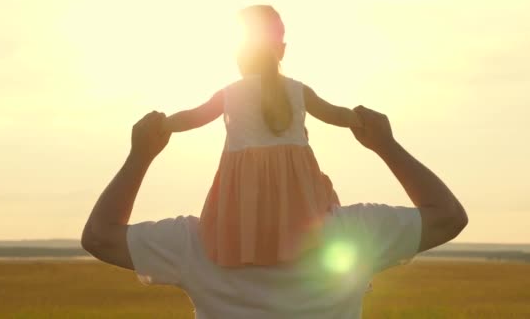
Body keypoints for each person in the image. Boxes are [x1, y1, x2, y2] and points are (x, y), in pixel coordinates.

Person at [81, 106, 468, 319]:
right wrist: (387, 146)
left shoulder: (194, 244)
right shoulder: (356, 234)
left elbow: (99, 236)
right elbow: (448, 216)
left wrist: (140, 156)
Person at [162, 5, 361, 266]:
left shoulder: (229, 93)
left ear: (239, 53)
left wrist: (162, 124)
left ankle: (253, 257)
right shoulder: (298, 90)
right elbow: (336, 114)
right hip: (299, 200)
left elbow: (192, 117)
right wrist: (361, 119)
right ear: (282, 50)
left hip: (245, 200)